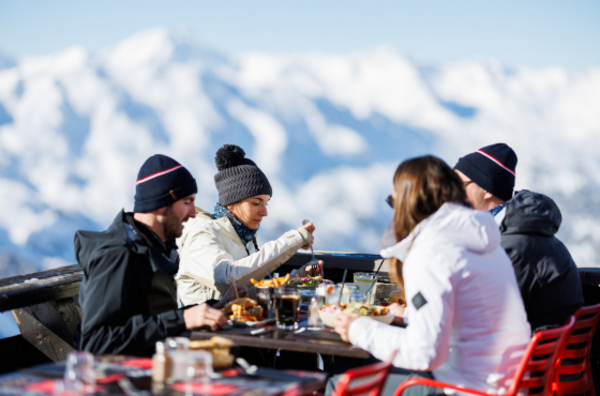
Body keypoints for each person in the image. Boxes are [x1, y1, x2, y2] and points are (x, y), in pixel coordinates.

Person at [333, 155, 530, 396]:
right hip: (508, 383)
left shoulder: (431, 252)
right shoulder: (485, 243)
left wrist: (357, 329)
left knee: (338, 381)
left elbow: (425, 353)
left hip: (466, 388)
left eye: (393, 201)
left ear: (409, 202)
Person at [75, 154, 240, 357]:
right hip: (128, 383)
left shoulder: (151, 247)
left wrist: (218, 305)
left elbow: (155, 318)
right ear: (162, 204)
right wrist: (183, 320)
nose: (193, 214)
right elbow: (95, 341)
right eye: (187, 202)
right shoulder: (119, 255)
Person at [454, 143, 583, 332]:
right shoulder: (522, 233)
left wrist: (408, 315)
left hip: (524, 357)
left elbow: (481, 317)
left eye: (458, 184)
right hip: (537, 350)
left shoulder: (513, 246)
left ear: (487, 190)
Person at [176, 144, 321, 305]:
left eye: (266, 203)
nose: (265, 212)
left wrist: (299, 280)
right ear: (231, 203)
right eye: (256, 203)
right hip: (204, 329)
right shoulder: (201, 234)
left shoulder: (243, 237)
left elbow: (253, 292)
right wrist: (295, 238)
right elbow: (232, 280)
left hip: (237, 327)